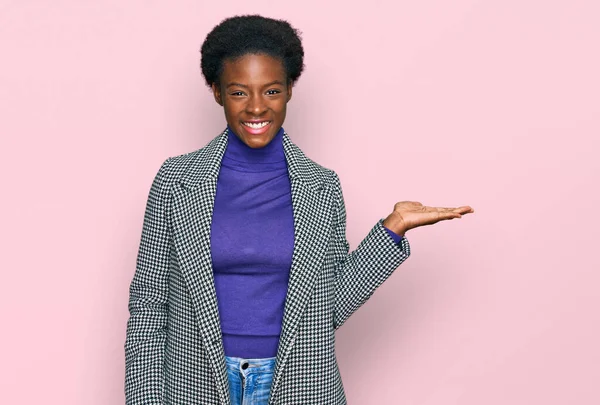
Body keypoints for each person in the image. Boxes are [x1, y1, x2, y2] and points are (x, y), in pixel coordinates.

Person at [124, 14, 474, 405]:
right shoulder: (176, 181)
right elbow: (149, 306)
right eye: (240, 92)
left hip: (299, 386)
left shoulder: (322, 188)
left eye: (271, 91)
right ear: (217, 92)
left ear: (290, 89)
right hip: (193, 385)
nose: (257, 108)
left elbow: (330, 306)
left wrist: (392, 229)